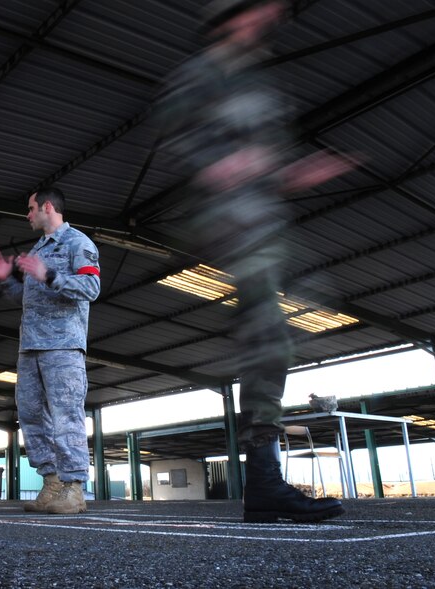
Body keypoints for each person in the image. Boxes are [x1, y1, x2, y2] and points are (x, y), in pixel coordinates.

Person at [152, 0, 353, 523]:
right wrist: (219, 164)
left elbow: (270, 162)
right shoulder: (204, 74)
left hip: (263, 220)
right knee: (269, 336)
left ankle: (264, 481)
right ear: (229, 19)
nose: (271, 19)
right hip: (229, 218)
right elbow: (174, 130)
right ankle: (263, 483)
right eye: (258, 11)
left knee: (277, 336)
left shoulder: (259, 85)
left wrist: (297, 171)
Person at [0, 187, 101, 514]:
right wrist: (6, 280)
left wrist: (48, 274)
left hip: (63, 346)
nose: (28, 214)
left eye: (31, 208)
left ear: (47, 207)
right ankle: (52, 484)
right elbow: (31, 299)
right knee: (31, 415)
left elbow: (90, 288)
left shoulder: (77, 243)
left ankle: (75, 489)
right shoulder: (39, 248)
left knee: (66, 415)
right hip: (31, 348)